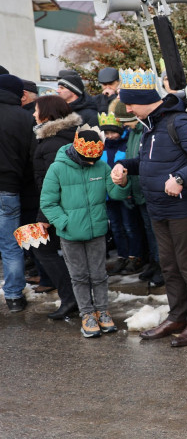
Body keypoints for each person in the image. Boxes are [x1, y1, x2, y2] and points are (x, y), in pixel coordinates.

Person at [112, 69, 187, 347]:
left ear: (145, 99)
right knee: (170, 267)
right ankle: (177, 317)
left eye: (130, 103)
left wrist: (182, 178)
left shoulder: (179, 123)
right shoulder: (150, 125)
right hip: (158, 209)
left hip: (183, 210)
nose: (127, 109)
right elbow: (150, 163)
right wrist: (125, 165)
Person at [40, 127, 130, 337]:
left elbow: (116, 193)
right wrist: (64, 223)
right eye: (87, 159)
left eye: (95, 159)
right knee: (79, 276)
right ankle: (87, 314)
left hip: (97, 231)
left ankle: (102, 311)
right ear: (76, 151)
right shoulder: (57, 168)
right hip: (70, 234)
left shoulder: (100, 165)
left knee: (99, 275)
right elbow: (47, 202)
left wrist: (123, 181)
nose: (91, 163)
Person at [31, 95, 80, 320]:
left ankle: (71, 298)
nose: (33, 114)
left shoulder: (53, 143)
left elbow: (54, 183)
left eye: (36, 110)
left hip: (59, 209)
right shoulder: (63, 136)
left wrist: (45, 216)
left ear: (48, 114)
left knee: (43, 249)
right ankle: (75, 297)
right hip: (70, 207)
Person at [114, 100, 163, 287]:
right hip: (138, 189)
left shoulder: (144, 130)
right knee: (149, 231)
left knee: (156, 232)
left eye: (126, 120)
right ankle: (154, 261)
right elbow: (132, 158)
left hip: (148, 190)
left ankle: (161, 266)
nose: (123, 125)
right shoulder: (134, 133)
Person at [0, 74, 35, 312]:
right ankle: (13, 297)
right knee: (11, 244)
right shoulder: (25, 118)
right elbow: (32, 158)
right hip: (10, 187)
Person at [98, 112, 144, 275]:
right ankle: (122, 255)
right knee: (116, 227)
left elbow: (131, 168)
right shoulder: (102, 147)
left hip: (126, 193)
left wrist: (129, 189)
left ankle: (135, 255)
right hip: (109, 195)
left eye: (113, 132)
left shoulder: (126, 144)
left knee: (130, 225)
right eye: (107, 133)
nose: (110, 136)